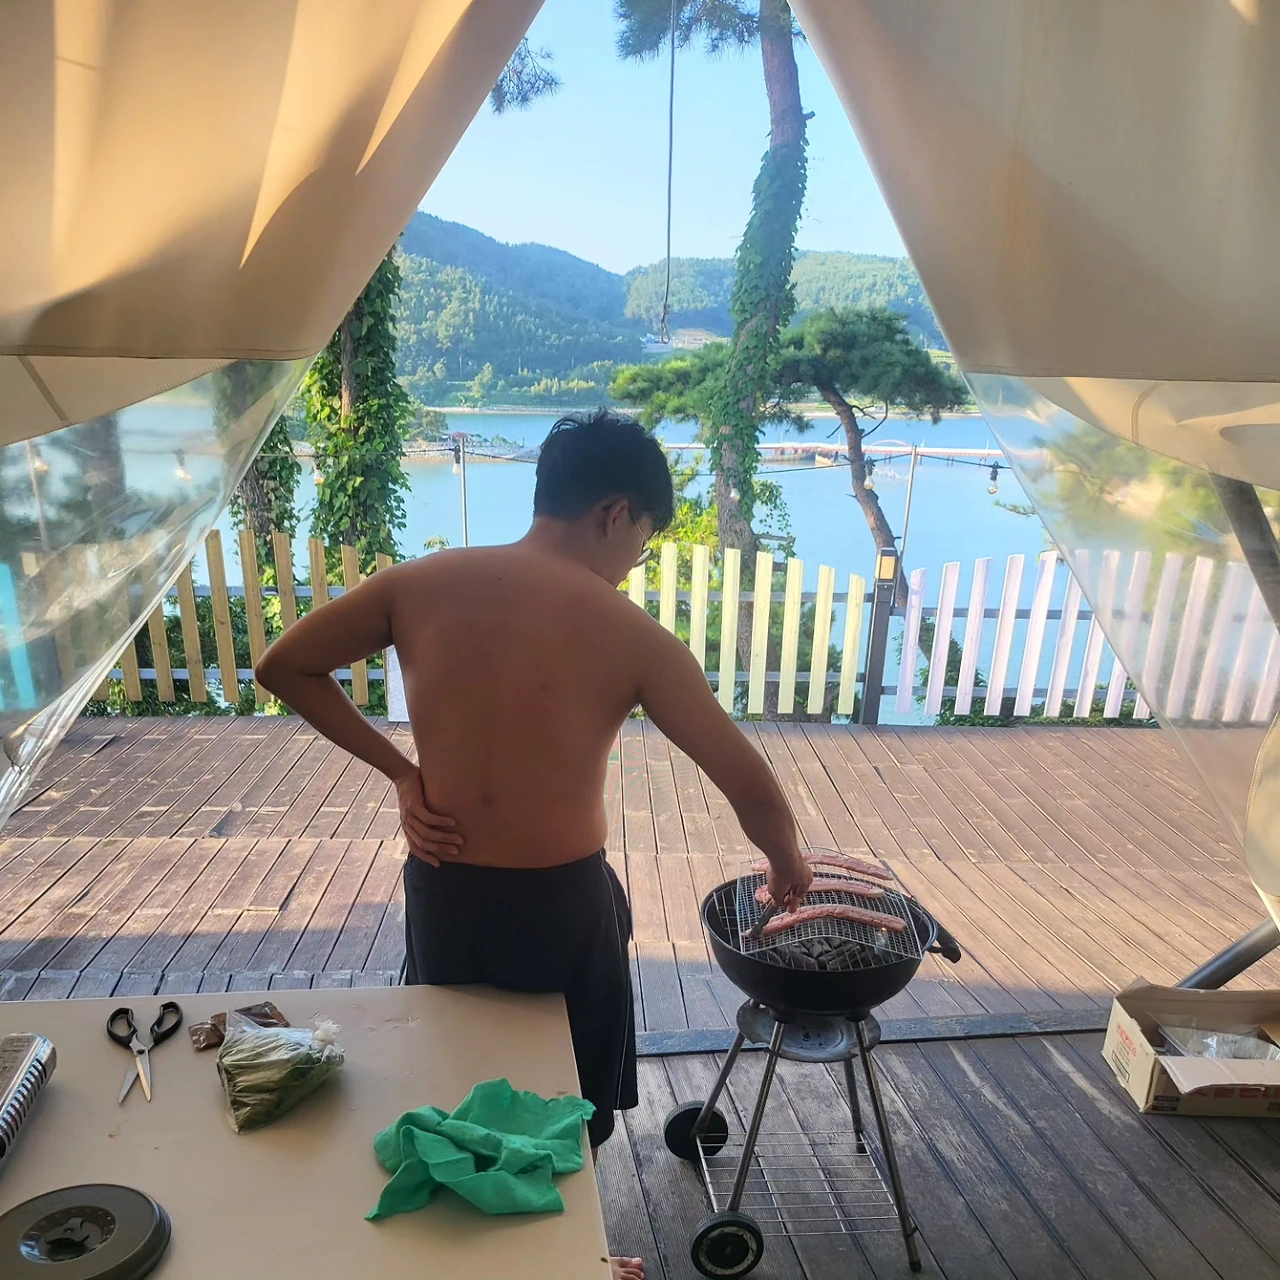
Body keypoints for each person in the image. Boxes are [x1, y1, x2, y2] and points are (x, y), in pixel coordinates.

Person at [255, 407, 812, 1280]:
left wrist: (402, 774)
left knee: (457, 1077)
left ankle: (478, 1257)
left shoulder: (419, 584)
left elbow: (282, 666)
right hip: (562, 906)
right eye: (642, 543)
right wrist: (788, 865)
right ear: (616, 513)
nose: (632, 563)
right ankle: (565, 1258)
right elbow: (748, 784)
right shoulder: (630, 635)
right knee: (570, 1100)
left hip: (445, 889)